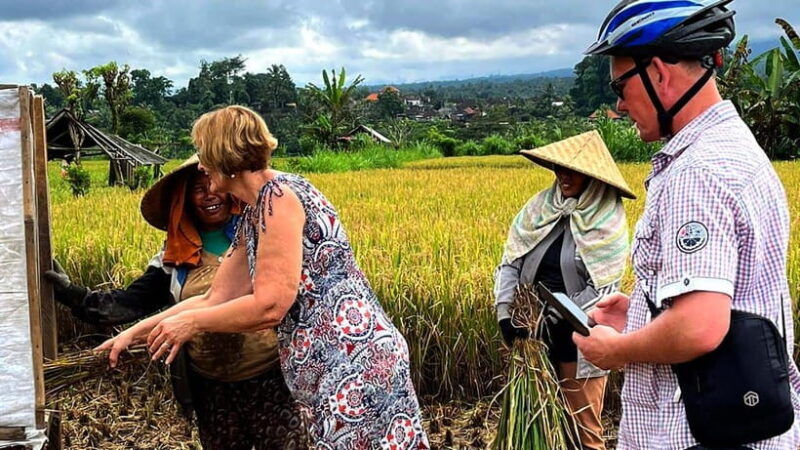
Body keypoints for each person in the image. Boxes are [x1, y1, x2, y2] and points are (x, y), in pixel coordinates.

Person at [95, 106, 430, 449]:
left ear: (224, 156)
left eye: (204, 154)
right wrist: (133, 333)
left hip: (353, 362)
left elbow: (270, 306)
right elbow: (215, 297)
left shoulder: (280, 199)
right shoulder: (257, 211)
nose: (201, 166)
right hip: (328, 368)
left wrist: (192, 324)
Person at [573, 1, 800, 448]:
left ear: (657, 73)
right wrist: (641, 314)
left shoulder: (697, 172)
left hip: (700, 434)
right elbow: (729, 302)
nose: (620, 104)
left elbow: (699, 326)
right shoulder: (735, 147)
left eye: (620, 86)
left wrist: (616, 350)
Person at [46, 155, 307, 450]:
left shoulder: (261, 232)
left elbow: (281, 299)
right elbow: (127, 303)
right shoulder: (173, 258)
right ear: (184, 199)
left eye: (213, 183)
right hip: (211, 385)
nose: (209, 194)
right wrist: (72, 294)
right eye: (198, 189)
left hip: (272, 376)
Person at [494, 130, 635, 450]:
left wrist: (555, 316)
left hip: (580, 340)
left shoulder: (606, 222)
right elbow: (510, 262)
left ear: (593, 177)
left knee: (582, 432)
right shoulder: (540, 209)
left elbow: (603, 288)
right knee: (535, 425)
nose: (563, 176)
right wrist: (506, 314)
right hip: (532, 338)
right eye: (560, 168)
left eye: (573, 171)